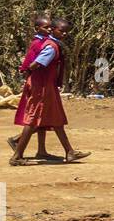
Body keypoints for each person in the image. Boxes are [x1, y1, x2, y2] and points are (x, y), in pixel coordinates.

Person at [10, 17, 89, 164]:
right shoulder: (51, 47)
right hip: (42, 86)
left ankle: (69, 152)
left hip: (46, 85)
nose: (65, 34)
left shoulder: (51, 44)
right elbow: (36, 63)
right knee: (33, 119)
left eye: (67, 32)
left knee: (56, 118)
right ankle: (17, 156)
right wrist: (29, 72)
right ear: (53, 30)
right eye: (62, 31)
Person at [7, 13, 59, 162]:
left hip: (41, 83)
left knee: (41, 118)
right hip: (38, 84)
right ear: (37, 28)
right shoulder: (38, 44)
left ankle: (41, 150)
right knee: (34, 117)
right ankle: (17, 149)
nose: (49, 30)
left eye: (50, 27)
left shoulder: (43, 42)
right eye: (46, 27)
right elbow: (31, 64)